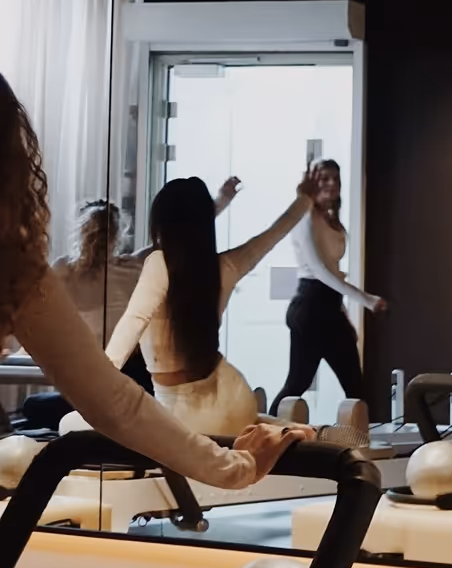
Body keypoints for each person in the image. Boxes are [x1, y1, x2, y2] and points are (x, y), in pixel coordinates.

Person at [0, 73, 304, 487]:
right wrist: (299, 201)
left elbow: (118, 373)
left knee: (68, 422)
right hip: (220, 394)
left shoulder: (136, 264)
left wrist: (98, 376)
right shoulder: (172, 264)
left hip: (177, 400)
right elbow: (265, 235)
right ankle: (274, 420)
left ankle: (276, 422)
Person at [103, 170, 318, 437]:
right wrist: (304, 200)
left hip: (184, 413)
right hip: (230, 396)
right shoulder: (224, 267)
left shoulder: (158, 264)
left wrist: (99, 379)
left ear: (162, 226)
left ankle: (284, 431)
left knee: (74, 425)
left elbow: (132, 322)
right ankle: (297, 432)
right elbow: (273, 234)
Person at [17, 186, 240, 431]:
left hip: (106, 383)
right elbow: (181, 234)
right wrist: (221, 201)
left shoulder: (64, 271)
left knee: (32, 407)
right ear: (118, 235)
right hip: (133, 383)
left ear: (80, 232)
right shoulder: (134, 265)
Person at [269, 160, 385, 418]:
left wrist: (344, 314)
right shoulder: (304, 218)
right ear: (313, 183)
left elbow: (332, 272)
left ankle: (356, 443)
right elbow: (320, 272)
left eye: (336, 178)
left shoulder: (328, 218)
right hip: (310, 309)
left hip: (327, 309)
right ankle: (261, 432)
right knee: (298, 383)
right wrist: (366, 300)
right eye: (325, 179)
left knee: (354, 387)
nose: (332, 184)